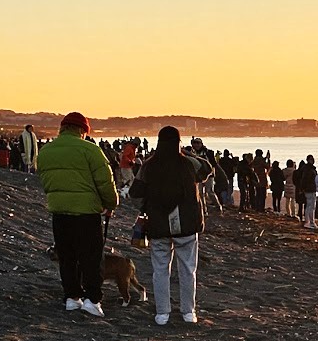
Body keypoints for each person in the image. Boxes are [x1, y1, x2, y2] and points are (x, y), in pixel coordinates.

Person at [36, 111, 118, 317]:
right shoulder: (90, 150)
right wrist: (110, 203)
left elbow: (47, 182)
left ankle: (72, 297)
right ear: (82, 130)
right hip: (86, 214)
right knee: (91, 258)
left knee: (67, 257)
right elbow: (105, 182)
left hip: (60, 212)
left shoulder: (46, 151)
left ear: (62, 129)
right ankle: (92, 299)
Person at [133, 125, 210, 325]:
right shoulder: (188, 164)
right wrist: (185, 152)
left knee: (160, 270)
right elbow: (208, 169)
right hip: (186, 225)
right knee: (187, 269)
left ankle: (162, 313)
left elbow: (136, 191)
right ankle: (188, 312)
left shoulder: (149, 165)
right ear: (179, 142)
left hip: (158, 226)